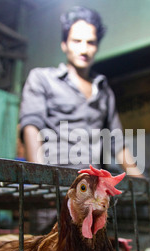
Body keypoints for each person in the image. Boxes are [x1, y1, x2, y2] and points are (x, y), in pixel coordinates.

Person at [18, 6, 143, 233]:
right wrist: (40, 180)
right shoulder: (42, 79)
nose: (84, 48)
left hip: (94, 192)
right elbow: (31, 126)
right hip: (53, 188)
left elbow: (117, 141)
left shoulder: (104, 91)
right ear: (64, 44)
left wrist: (143, 182)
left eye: (91, 42)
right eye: (76, 41)